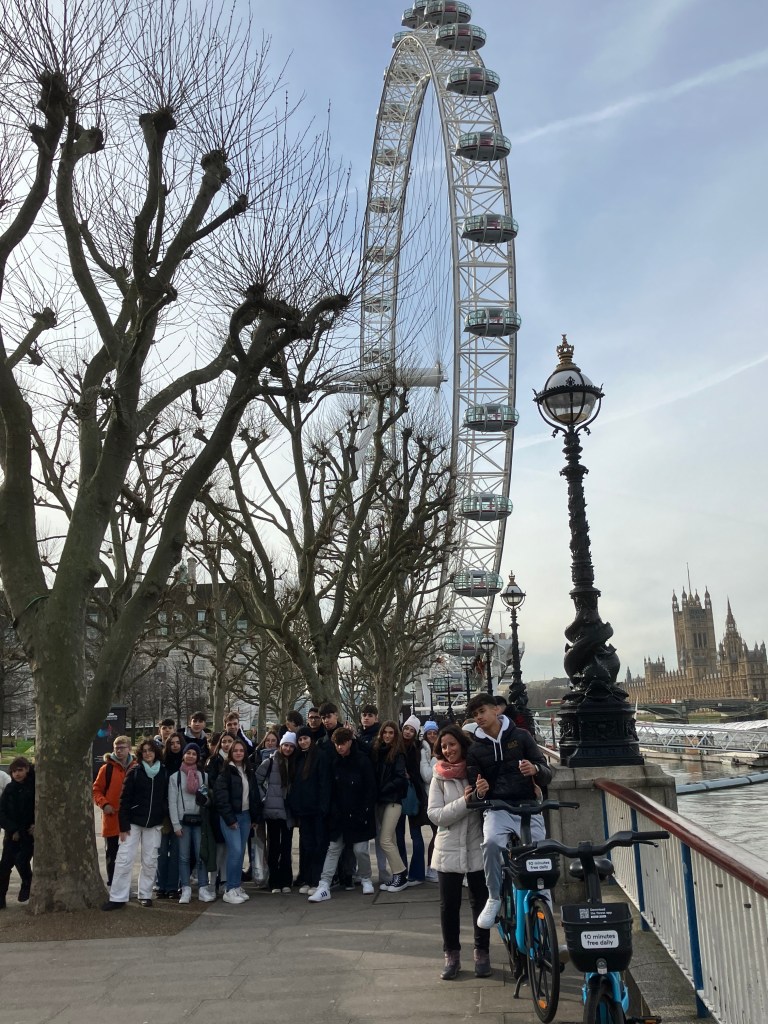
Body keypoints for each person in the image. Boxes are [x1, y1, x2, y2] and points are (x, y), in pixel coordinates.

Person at [465, 693, 552, 930]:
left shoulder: (522, 736)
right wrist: (480, 792)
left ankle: (544, 902)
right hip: (497, 808)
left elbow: (546, 772)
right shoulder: (475, 750)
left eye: (482, 711)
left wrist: (535, 769)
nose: (479, 717)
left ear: (496, 710)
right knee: (491, 843)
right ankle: (494, 897)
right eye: (475, 714)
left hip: (527, 805)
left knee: (539, 852)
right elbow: (473, 791)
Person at [428, 725, 492, 979]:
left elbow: (489, 807)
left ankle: (482, 952)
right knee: (449, 906)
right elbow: (435, 815)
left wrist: (482, 795)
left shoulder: (476, 771)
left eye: (452, 744)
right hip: (448, 848)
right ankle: (451, 955)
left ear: (462, 745)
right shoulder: (438, 776)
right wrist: (465, 802)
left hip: (476, 845)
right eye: (443, 746)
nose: (448, 750)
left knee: (480, 902)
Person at [307, 728, 376, 903]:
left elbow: (370, 789)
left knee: (360, 850)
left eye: (342, 744)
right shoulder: (334, 762)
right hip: (339, 815)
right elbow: (331, 789)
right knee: (333, 849)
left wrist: (365, 811)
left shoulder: (362, 761)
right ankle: (324, 884)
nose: (339, 747)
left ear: (350, 742)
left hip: (359, 813)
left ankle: (366, 878)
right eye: (337, 744)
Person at [102, 739, 169, 910]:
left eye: (150, 750)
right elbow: (124, 800)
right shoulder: (135, 772)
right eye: (144, 751)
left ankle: (145, 894)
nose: (147, 754)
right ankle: (117, 897)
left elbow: (165, 798)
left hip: (153, 824)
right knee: (124, 859)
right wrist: (123, 826)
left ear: (156, 752)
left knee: (150, 860)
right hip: (133, 823)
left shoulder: (163, 772)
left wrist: (161, 814)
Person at [214, 739, 261, 905]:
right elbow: (221, 798)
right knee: (235, 850)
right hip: (231, 817)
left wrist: (255, 818)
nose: (239, 753)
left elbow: (254, 795)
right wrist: (230, 819)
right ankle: (229, 889)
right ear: (231, 753)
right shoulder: (226, 772)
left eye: (241, 750)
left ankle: (236, 885)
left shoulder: (249, 770)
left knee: (240, 853)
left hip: (246, 816)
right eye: (235, 750)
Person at [168, 742, 213, 904]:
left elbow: (208, 799)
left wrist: (205, 800)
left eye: (194, 754)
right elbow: (172, 802)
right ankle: (185, 887)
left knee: (201, 855)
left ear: (198, 757)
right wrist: (176, 825)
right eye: (188, 753)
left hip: (199, 821)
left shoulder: (203, 776)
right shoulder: (175, 777)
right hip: (183, 821)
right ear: (183, 755)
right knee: (184, 857)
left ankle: (203, 887)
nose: (191, 756)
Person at [288, 726, 330, 893]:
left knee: (319, 845)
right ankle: (307, 879)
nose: (303, 741)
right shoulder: (298, 758)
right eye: (300, 739)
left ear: (311, 739)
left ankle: (317, 881)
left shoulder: (320, 756)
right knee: (307, 846)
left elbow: (324, 783)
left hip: (317, 810)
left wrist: (323, 807)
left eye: (305, 738)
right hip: (303, 811)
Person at [370, 720, 409, 892]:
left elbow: (401, 779)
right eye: (385, 732)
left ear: (395, 735)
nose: (387, 735)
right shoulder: (378, 751)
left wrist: (383, 789)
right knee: (390, 840)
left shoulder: (398, 754)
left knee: (385, 840)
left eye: (391, 733)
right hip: (381, 801)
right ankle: (397, 876)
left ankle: (400, 875)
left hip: (393, 801)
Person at [255, 731, 296, 893]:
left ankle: (286, 880)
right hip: (272, 811)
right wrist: (264, 798)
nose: (288, 749)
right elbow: (256, 782)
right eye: (285, 745)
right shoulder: (270, 762)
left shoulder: (295, 763)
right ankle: (274, 881)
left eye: (291, 746)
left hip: (288, 811)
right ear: (281, 745)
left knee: (286, 847)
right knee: (273, 847)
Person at [92, 735, 134, 886]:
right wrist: (104, 804)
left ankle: (125, 885)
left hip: (130, 819)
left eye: (122, 748)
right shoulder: (106, 769)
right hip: (112, 817)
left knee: (127, 855)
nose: (119, 751)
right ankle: (113, 885)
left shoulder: (136, 767)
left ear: (129, 748)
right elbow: (96, 790)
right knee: (112, 853)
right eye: (116, 748)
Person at [397, 715, 432, 886]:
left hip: (414, 795)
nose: (408, 732)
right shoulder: (396, 746)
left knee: (415, 835)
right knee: (398, 836)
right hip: (398, 794)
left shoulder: (418, 748)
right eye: (406, 728)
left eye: (412, 730)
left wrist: (409, 775)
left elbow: (420, 773)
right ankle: (401, 872)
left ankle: (417, 874)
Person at [0, 757, 35, 909]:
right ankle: (1, 899)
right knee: (4, 866)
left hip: (29, 834)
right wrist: (12, 829)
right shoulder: (10, 789)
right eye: (14, 771)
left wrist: (37, 824)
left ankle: (27, 883)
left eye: (20, 770)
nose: (17, 774)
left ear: (27, 769)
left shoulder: (35, 786)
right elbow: (1, 812)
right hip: (12, 834)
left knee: (22, 861)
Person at [205, 732, 236, 893]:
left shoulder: (237, 760)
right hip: (217, 810)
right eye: (224, 741)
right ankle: (212, 881)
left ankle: (224, 880)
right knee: (218, 848)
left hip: (234, 810)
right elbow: (211, 784)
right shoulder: (213, 761)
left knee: (229, 848)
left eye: (230, 741)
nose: (226, 744)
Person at [155, 732, 184, 898]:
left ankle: (173, 886)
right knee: (162, 851)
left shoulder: (186, 764)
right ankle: (161, 885)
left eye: (177, 743)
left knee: (176, 853)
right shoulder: (162, 765)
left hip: (180, 813)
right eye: (172, 743)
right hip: (164, 814)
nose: (175, 746)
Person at [421, 720, 440, 881]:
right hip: (429, 797)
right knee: (437, 833)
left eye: (434, 733)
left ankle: (436, 867)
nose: (432, 735)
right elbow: (426, 776)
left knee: (440, 834)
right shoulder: (424, 751)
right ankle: (431, 868)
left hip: (441, 797)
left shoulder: (440, 748)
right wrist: (435, 759)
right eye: (429, 733)